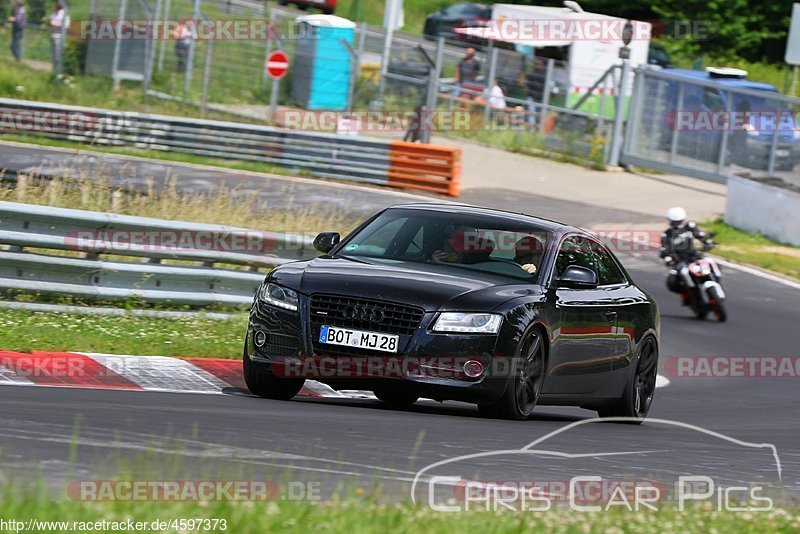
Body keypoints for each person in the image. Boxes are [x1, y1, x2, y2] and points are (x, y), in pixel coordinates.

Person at [660, 207, 714, 294]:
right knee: (675, 278)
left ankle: (715, 280)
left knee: (710, 261)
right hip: (680, 260)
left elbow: (699, 235)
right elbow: (664, 249)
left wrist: (708, 242)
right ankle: (689, 292)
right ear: (670, 221)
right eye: (675, 222)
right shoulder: (666, 234)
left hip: (694, 256)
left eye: (679, 221)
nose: (677, 224)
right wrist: (667, 256)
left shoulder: (689, 226)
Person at [48, 1, 67, 75]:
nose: (55, 4)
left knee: (58, 56)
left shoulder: (63, 12)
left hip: (58, 37)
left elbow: (63, 25)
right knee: (54, 56)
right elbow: (51, 21)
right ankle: (54, 73)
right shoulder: (55, 13)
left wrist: (52, 22)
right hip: (53, 35)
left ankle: (59, 73)